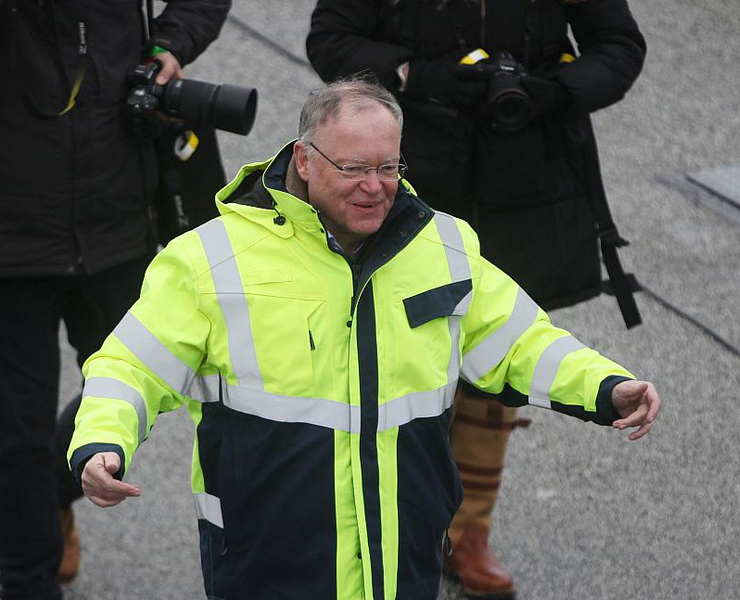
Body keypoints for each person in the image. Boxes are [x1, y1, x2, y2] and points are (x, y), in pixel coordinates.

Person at [67, 78, 660, 600]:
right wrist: (100, 444)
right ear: (304, 160)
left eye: (388, 167)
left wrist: (607, 386)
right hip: (266, 558)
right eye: (353, 168)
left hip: (404, 551)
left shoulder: (444, 247)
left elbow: (521, 340)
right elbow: (130, 366)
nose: (374, 186)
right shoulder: (208, 261)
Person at [305, 1, 647, 596]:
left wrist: (553, 93)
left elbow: (618, 47)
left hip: (527, 177)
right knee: (392, 370)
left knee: (499, 364)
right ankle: (378, 524)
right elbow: (332, 40)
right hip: (410, 180)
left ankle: (468, 535)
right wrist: (414, 75)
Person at [0, 0, 230, 598]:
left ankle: (40, 498)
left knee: (139, 393)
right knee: (14, 432)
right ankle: (26, 575)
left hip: (118, 213)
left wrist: (171, 44)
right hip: (11, 240)